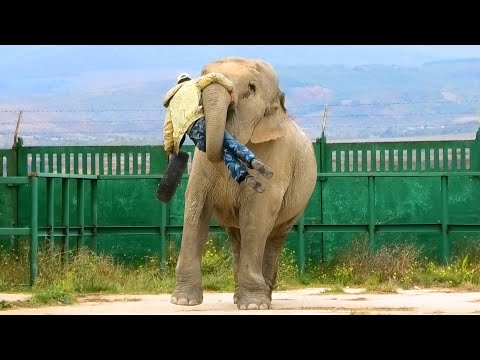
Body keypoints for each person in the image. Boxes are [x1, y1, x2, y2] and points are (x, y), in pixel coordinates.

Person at [162, 72, 273, 193]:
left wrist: (170, 149)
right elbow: (214, 76)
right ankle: (252, 160)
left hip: (192, 133)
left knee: (222, 151)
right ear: (188, 79)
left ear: (177, 84)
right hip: (202, 122)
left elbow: (168, 130)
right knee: (230, 142)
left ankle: (244, 176)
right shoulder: (193, 84)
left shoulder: (171, 103)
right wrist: (230, 88)